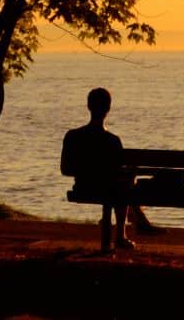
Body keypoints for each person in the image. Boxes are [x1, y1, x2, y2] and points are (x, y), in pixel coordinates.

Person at [60, 87, 161, 251]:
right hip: (110, 189)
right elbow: (118, 170)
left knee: (120, 185)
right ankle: (124, 234)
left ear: (88, 106)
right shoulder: (112, 140)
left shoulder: (72, 136)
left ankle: (138, 223)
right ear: (108, 109)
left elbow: (65, 169)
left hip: (83, 188)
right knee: (124, 184)